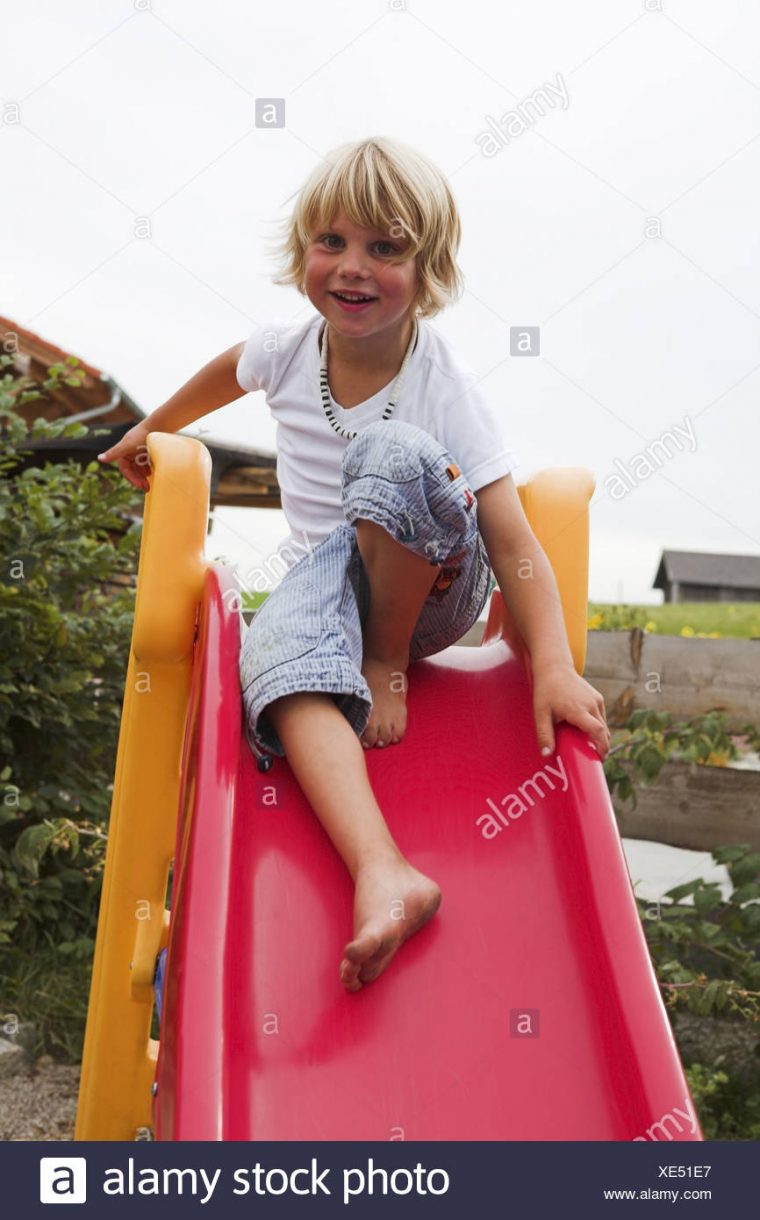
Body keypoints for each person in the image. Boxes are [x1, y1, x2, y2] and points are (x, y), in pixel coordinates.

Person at [98, 136, 610, 994]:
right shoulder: (287, 350)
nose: (352, 267)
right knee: (278, 663)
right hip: (328, 584)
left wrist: (550, 663)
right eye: (330, 242)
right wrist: (152, 428)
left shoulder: (443, 383)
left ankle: (382, 661)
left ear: (429, 267)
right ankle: (386, 872)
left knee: (390, 454)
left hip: (435, 580)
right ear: (303, 251)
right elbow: (229, 370)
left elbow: (514, 540)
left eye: (385, 248)